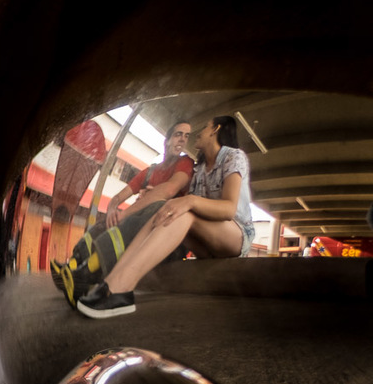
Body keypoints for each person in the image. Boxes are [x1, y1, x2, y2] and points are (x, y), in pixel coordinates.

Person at [76, 115, 255, 318]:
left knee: (185, 214)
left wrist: (190, 201)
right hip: (207, 242)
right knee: (166, 211)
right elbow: (182, 201)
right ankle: (113, 281)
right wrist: (155, 197)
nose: (198, 133)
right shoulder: (200, 169)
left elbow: (229, 209)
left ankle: (122, 287)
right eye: (179, 134)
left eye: (204, 126)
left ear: (216, 129)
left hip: (235, 235)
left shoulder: (233, 157)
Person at [53, 121, 194, 306]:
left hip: (165, 235)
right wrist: (113, 209)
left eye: (187, 136)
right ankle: (72, 268)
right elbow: (117, 198)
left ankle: (84, 275)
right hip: (143, 223)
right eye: (178, 134)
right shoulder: (151, 171)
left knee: (152, 208)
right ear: (167, 140)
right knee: (108, 223)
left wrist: (128, 211)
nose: (183, 140)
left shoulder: (185, 163)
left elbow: (169, 190)